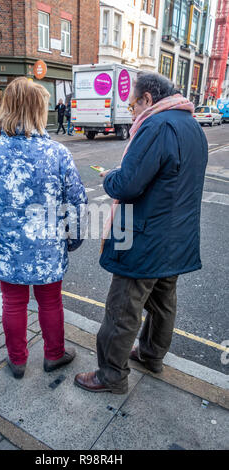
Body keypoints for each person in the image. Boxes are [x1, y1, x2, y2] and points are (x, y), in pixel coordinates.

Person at [74, 72, 208, 394]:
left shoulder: (156, 126)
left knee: (123, 308)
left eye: (133, 104)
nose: (131, 111)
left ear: (148, 99)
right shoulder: (193, 127)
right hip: (177, 238)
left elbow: (128, 185)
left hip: (144, 238)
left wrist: (109, 178)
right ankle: (151, 356)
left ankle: (111, 375)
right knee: (163, 304)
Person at [0, 78, 88, 379]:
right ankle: (54, 354)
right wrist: (73, 240)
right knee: (50, 301)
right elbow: (78, 202)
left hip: (6, 247)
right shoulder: (56, 153)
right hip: (47, 246)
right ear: (38, 110)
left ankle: (17, 361)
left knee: (13, 302)